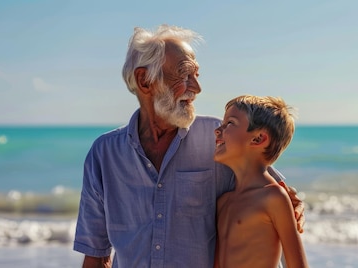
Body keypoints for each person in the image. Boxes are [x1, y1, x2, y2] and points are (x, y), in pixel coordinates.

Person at [72, 24, 305, 268]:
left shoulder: (220, 140)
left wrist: (290, 202)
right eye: (184, 75)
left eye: (197, 75)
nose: (197, 87)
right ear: (145, 81)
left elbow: (274, 194)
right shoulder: (104, 154)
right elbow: (96, 255)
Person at [213, 95, 308, 268]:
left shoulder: (273, 197)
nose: (217, 130)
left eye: (230, 124)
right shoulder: (223, 202)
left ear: (258, 139)